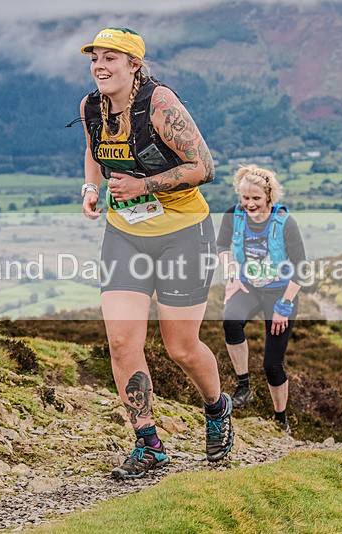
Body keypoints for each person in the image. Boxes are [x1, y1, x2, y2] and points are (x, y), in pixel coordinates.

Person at [79, 27, 233, 479]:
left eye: (112, 58)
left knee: (180, 346)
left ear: (134, 65)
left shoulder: (161, 105)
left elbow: (204, 167)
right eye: (95, 59)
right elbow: (93, 147)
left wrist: (143, 185)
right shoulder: (91, 105)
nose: (100, 66)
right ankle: (148, 443)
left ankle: (217, 407)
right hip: (124, 233)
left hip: (184, 232)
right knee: (122, 340)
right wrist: (92, 187)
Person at [216, 165, 307, 434]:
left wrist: (284, 305)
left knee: (272, 364)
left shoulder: (285, 222)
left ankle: (281, 419)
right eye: (245, 198)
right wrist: (232, 275)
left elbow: (301, 267)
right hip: (249, 285)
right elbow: (222, 247)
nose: (249, 204)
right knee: (230, 321)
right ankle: (243, 386)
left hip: (281, 292)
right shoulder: (234, 215)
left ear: (268, 195)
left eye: (255, 198)